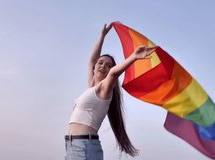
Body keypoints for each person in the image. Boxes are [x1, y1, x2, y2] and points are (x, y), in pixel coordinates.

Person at [65, 23, 156, 160]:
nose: (103, 66)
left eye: (108, 66)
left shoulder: (104, 90)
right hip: (74, 146)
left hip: (84, 147)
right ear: (95, 67)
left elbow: (113, 74)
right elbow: (91, 62)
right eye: (101, 63)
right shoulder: (91, 88)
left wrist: (134, 57)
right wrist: (102, 36)